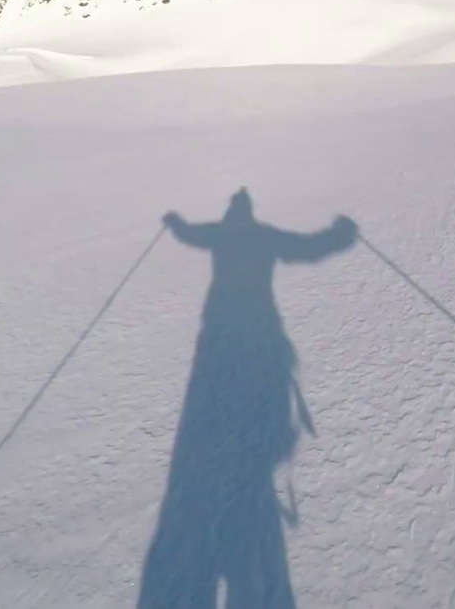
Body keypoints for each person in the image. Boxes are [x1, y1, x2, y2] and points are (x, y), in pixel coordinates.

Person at [138, 190, 357, 609]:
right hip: (257, 332)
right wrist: (342, 234)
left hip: (219, 332)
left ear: (229, 211)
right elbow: (307, 248)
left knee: (214, 386)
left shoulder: (219, 234)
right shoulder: (262, 236)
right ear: (249, 212)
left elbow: (189, 233)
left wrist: (174, 222)